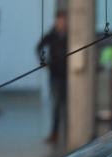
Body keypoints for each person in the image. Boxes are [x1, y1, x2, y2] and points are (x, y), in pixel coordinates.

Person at [36, 10, 67, 144]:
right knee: (56, 105)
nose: (61, 23)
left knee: (66, 105)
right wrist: (43, 62)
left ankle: (67, 132)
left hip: (67, 75)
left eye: (63, 20)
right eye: (59, 20)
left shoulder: (69, 35)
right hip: (55, 74)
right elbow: (39, 47)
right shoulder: (51, 35)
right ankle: (55, 133)